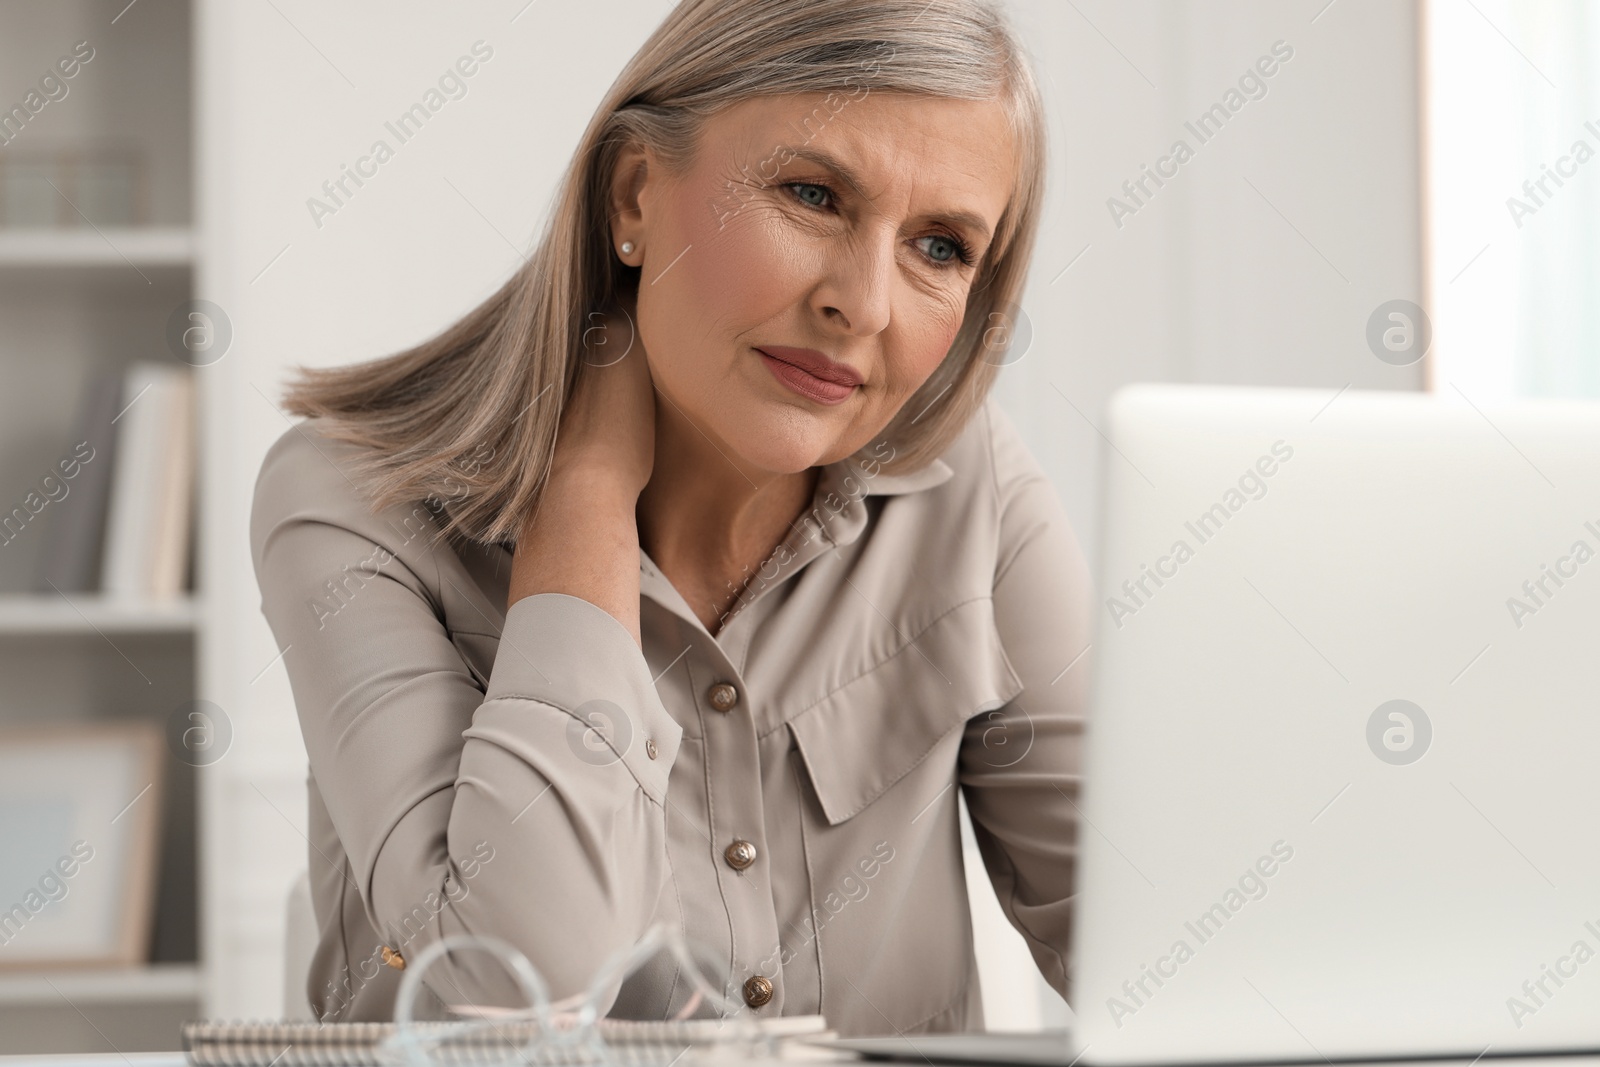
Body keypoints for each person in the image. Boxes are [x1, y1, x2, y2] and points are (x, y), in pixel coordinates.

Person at [249, 0, 1092, 1035]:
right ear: (635, 192)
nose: (864, 304)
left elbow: (1162, 938)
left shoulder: (972, 489)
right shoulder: (348, 496)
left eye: (939, 246)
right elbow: (519, 989)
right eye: (813, 194)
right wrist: (588, 487)